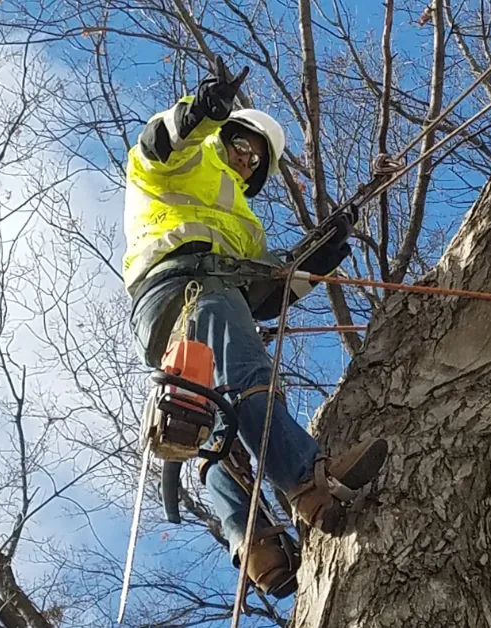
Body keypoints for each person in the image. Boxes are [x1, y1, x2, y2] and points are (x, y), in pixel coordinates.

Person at [122, 67, 388, 597]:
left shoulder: (245, 225)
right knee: (251, 380)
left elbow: (270, 294)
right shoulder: (188, 160)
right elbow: (158, 147)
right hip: (191, 287)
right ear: (226, 136)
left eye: (258, 159)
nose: (248, 159)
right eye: (244, 145)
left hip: (182, 310)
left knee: (208, 422)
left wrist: (322, 255)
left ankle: (257, 546)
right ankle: (306, 481)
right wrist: (201, 109)